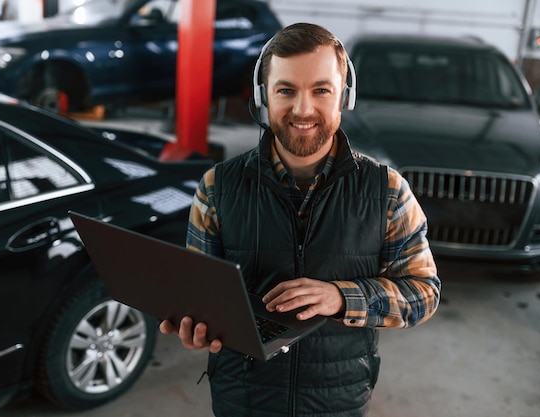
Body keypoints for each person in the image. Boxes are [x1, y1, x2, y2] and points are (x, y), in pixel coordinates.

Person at [160, 22, 441, 417]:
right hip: (242, 399)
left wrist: (341, 296)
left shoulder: (388, 190)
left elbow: (423, 293)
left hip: (338, 400)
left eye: (321, 90)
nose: (303, 109)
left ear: (345, 96)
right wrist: (194, 324)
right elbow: (199, 292)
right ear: (264, 97)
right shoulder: (216, 188)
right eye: (286, 90)